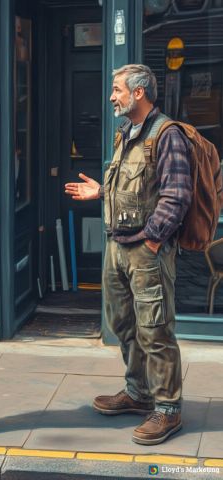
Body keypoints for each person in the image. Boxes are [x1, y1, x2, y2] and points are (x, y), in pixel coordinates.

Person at [65, 64, 192, 446]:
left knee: (155, 329)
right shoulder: (126, 133)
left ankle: (168, 409)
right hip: (116, 246)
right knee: (124, 325)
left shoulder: (166, 135)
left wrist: (152, 241)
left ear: (139, 93)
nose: (111, 97)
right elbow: (135, 187)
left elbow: (177, 195)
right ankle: (138, 393)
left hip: (145, 251)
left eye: (117, 89)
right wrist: (101, 193)